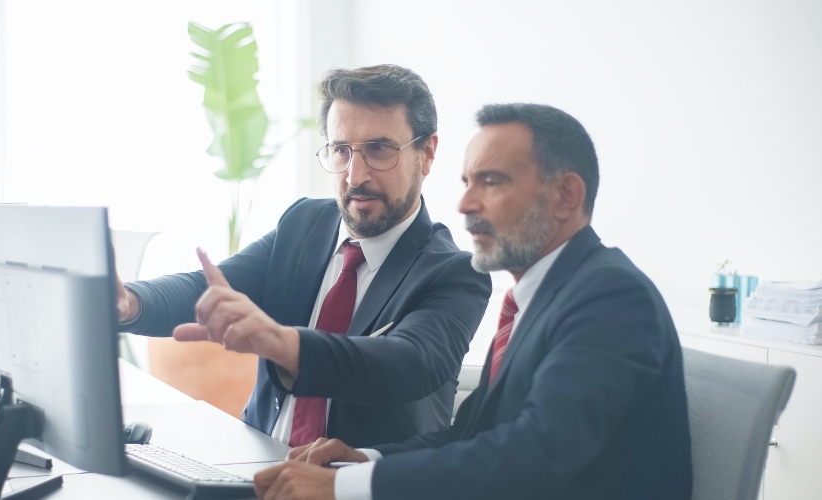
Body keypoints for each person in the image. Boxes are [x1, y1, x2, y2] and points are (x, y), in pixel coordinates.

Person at [254, 103, 693, 499]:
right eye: (467, 182)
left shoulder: (610, 298)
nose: (465, 203)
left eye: (492, 181)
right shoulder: (541, 299)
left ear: (565, 196)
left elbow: (534, 457)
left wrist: (341, 487)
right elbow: (470, 434)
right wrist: (366, 460)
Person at [116, 64, 492, 448]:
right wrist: (128, 303)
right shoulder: (304, 224)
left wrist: (281, 343)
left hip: (352, 483)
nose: (354, 174)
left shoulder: (455, 274)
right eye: (340, 150)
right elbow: (209, 289)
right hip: (253, 467)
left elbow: (405, 363)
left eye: (379, 150)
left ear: (426, 154)